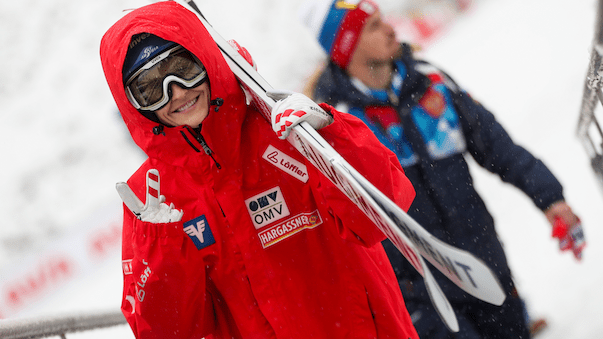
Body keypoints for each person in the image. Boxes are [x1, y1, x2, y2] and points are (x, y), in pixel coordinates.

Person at [99, 1, 420, 338]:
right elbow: (168, 333)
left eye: (183, 67)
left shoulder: (283, 131)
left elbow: (384, 211)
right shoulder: (151, 202)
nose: (176, 92)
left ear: (207, 59)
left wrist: (331, 134)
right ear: (133, 105)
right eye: (150, 88)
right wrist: (160, 248)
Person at [299, 0, 585, 338]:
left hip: (484, 261)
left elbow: (496, 145)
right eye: (373, 26)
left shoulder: (430, 82)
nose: (391, 29)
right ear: (346, 48)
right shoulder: (335, 124)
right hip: (420, 291)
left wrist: (551, 199)